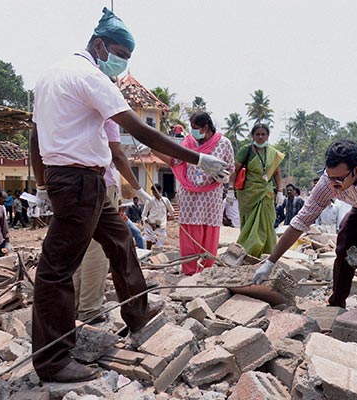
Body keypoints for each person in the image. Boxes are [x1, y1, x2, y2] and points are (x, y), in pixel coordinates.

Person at [29, 7, 228, 383]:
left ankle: (137, 311)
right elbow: (142, 132)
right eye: (121, 54)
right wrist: (199, 157)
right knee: (56, 271)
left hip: (82, 181)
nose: (122, 63)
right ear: (99, 44)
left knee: (121, 242)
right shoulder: (90, 77)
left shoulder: (50, 75)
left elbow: (35, 135)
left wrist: (42, 180)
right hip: (78, 181)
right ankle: (53, 360)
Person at [253, 140, 357, 341]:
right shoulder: (329, 180)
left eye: (339, 179)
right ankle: (337, 304)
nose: (334, 185)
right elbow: (302, 220)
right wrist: (271, 262)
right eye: (330, 178)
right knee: (346, 243)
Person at [73, 119, 154, 323]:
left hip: (68, 181)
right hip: (99, 182)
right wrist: (138, 188)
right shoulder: (103, 114)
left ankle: (73, 306)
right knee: (99, 248)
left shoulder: (69, 106)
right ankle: (90, 309)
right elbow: (117, 154)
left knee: (78, 247)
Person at [156, 111, 234, 275]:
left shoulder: (224, 143)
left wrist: (223, 177)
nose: (193, 131)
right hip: (189, 195)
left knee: (209, 233)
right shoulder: (188, 142)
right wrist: (152, 149)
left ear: (206, 127)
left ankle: (206, 271)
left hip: (211, 196)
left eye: (195, 128)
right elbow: (174, 160)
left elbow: (230, 169)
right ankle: (190, 271)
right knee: (190, 232)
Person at [235, 123, 284, 257]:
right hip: (249, 193)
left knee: (267, 222)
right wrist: (229, 189)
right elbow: (235, 170)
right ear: (252, 136)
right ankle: (248, 251)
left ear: (268, 136)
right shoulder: (246, 150)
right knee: (250, 224)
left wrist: (280, 191)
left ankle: (268, 252)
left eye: (263, 134)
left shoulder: (273, 153)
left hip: (267, 192)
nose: (260, 137)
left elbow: (277, 174)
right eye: (257, 134)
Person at [142, 183, 175, 250]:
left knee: (161, 242)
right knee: (149, 241)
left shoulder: (165, 200)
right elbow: (144, 215)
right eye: (153, 192)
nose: (154, 193)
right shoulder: (150, 200)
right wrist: (149, 223)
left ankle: (157, 257)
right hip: (151, 225)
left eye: (156, 191)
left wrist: (167, 216)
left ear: (160, 191)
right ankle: (148, 255)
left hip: (161, 225)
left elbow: (171, 210)